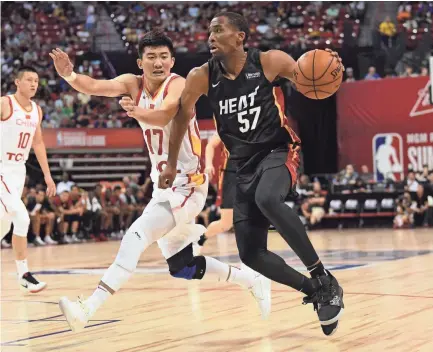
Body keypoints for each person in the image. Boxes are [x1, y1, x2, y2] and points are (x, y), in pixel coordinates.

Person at [49, 29, 270, 332]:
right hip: (164, 186)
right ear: (140, 62)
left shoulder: (179, 83)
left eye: (163, 56)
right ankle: (251, 279)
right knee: (183, 266)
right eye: (151, 57)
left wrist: (137, 111)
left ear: (172, 60)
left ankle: (87, 309)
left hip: (189, 185)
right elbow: (96, 86)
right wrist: (71, 75)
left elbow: (165, 115)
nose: (158, 62)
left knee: (135, 237)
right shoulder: (131, 83)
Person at [159, 12, 344, 336]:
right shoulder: (201, 76)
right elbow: (179, 119)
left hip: (277, 151)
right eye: (209, 31)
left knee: (268, 198)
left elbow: (306, 74)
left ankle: (323, 277)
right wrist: (172, 164)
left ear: (241, 37)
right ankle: (315, 292)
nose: (210, 37)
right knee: (251, 254)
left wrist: (329, 64)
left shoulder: (269, 62)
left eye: (219, 30)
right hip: (240, 164)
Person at [1, 66, 57, 293]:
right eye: (29, 80)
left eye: (36, 80)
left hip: (18, 170)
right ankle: (24, 274)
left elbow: (38, 143)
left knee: (4, 223)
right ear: (17, 82)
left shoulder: (36, 110)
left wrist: (47, 174)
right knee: (22, 217)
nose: (34, 84)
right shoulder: (5, 103)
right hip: (1, 167)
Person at [200, 133, 235, 245]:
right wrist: (209, 164)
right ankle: (200, 239)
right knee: (226, 224)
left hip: (252, 172)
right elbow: (210, 145)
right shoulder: (226, 121)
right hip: (231, 174)